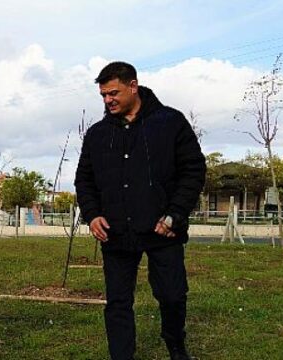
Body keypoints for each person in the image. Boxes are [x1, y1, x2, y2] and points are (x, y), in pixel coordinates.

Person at [74, 61, 205, 360]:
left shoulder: (171, 122)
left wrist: (175, 213)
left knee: (172, 296)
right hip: (116, 233)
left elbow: (193, 171)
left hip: (163, 229)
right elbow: (84, 179)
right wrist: (93, 214)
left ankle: (175, 345)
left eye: (114, 93)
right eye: (103, 95)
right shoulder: (96, 134)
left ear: (133, 86)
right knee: (118, 303)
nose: (108, 100)